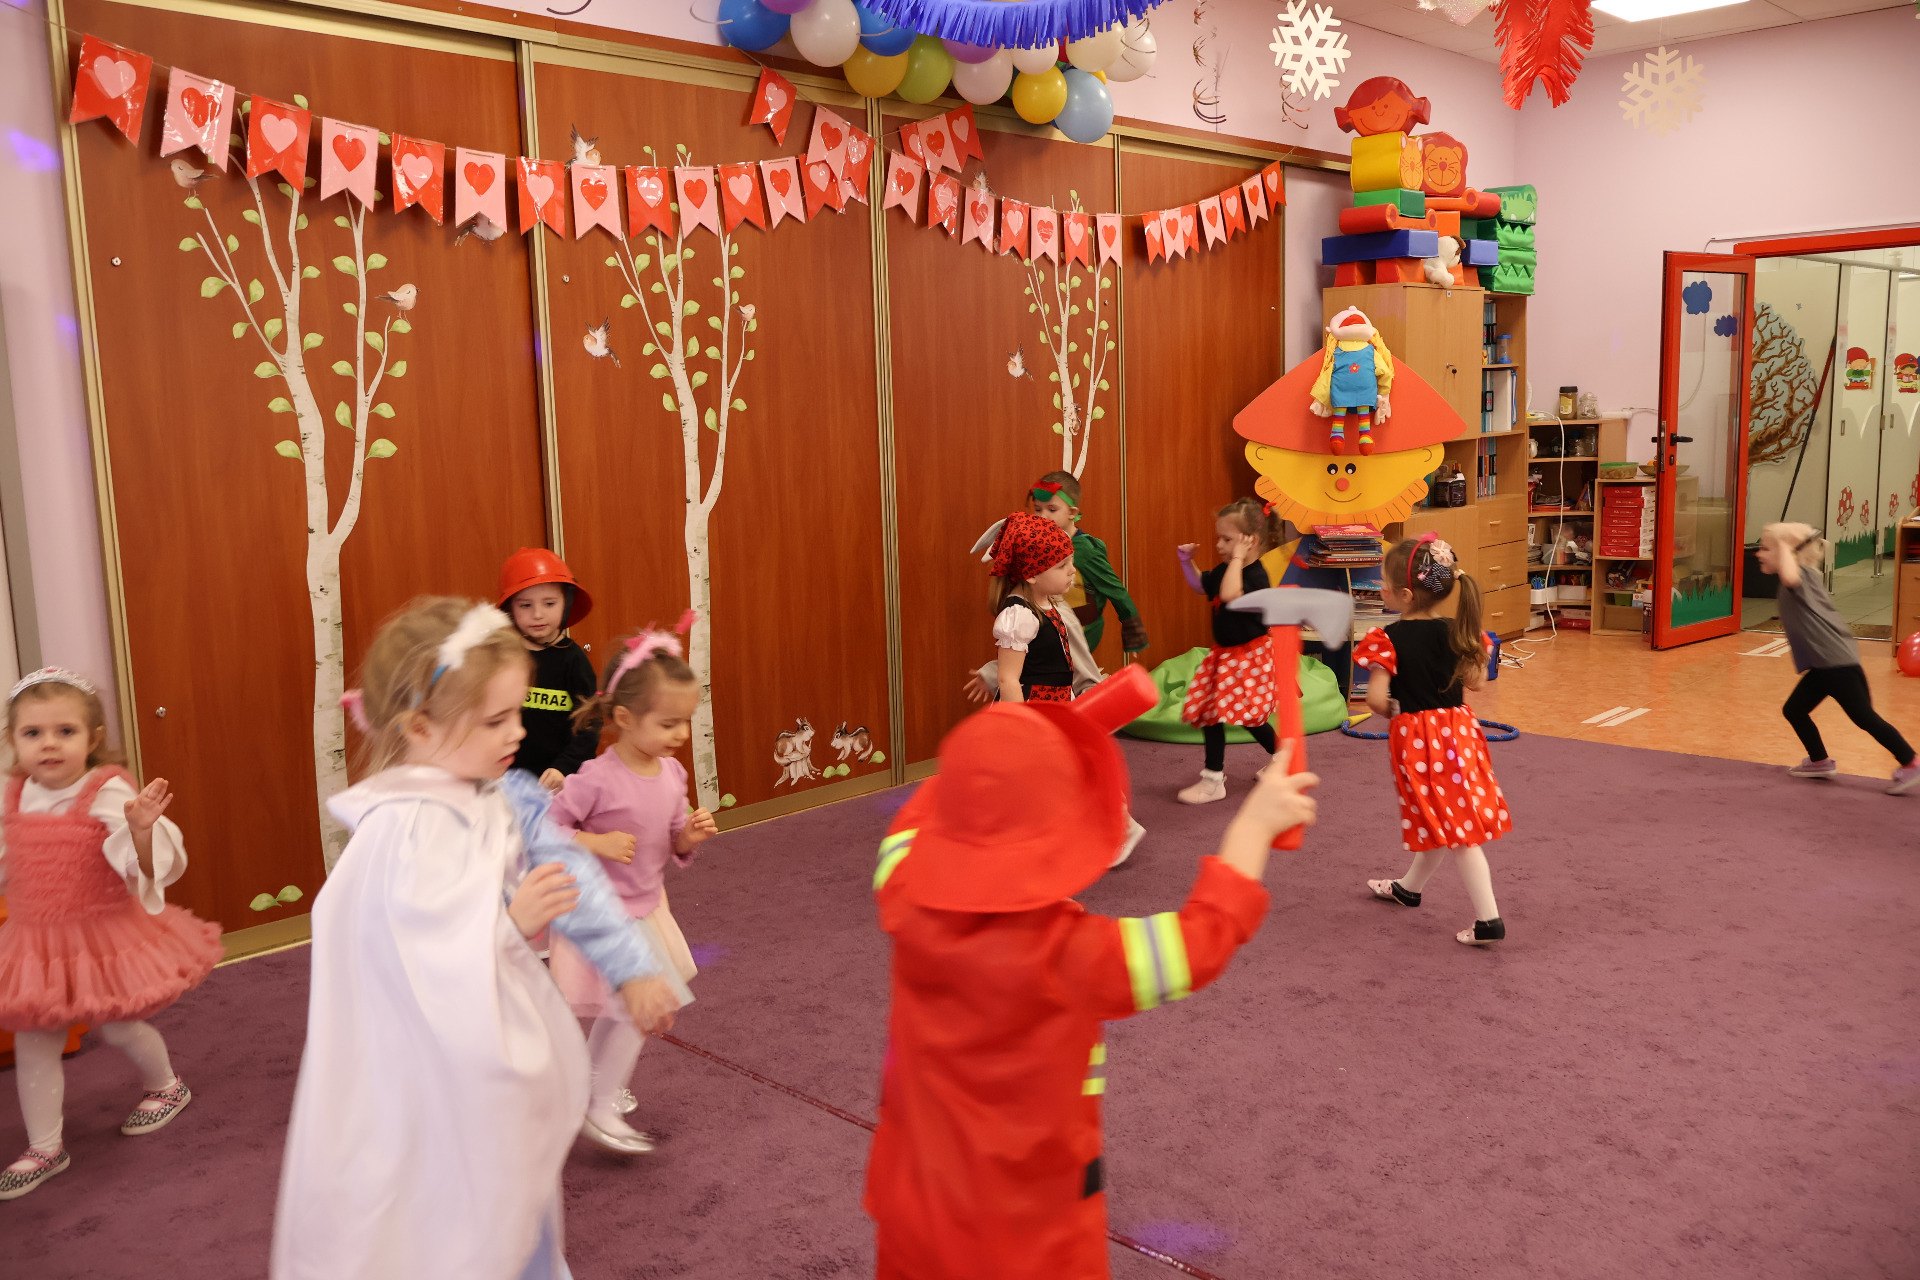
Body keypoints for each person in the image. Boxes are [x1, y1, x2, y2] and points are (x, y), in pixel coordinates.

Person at [271, 598, 680, 1280]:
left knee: (510, 1189)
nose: (516, 732)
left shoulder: (508, 794)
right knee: (445, 1208)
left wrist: (633, 968)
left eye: (516, 712)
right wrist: (509, 925)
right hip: (431, 1067)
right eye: (495, 721)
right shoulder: (400, 825)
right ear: (419, 728)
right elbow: (399, 954)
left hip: (495, 1041)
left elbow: (572, 872)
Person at [864, 685, 1320, 1279]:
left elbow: (922, 816)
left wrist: (989, 764)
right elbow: (1198, 942)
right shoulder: (1068, 956)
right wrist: (1254, 828)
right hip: (1026, 1236)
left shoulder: (902, 892)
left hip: (915, 1206)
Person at [0, 668, 222, 1201]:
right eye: (32, 733)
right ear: (13, 740)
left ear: (93, 737)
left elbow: (145, 863)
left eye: (65, 731)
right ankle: (45, 1147)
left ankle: (166, 1087)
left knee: (120, 1026)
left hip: (101, 936)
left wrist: (141, 828)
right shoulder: (13, 795)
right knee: (35, 1039)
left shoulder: (105, 790)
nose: (49, 744)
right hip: (35, 942)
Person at [548, 622, 714, 1155]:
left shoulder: (672, 774)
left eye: (684, 722)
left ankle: (593, 1086)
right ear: (623, 718)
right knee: (638, 1006)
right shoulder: (596, 777)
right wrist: (593, 843)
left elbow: (672, 836)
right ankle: (597, 1105)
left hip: (646, 909)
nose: (680, 735)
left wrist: (688, 836)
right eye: (667, 723)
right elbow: (544, 828)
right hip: (602, 913)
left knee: (631, 1009)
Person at [1353, 534, 1511, 946]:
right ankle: (1409, 888)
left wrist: (1396, 710)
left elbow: (1374, 700)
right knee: (1442, 815)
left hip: (1420, 743)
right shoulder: (1458, 631)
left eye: (1383, 583)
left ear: (1405, 595)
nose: (1379, 588)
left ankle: (1488, 920)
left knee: (1458, 831)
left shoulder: (1388, 638)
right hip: (1460, 734)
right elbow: (1476, 683)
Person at [1759, 523, 1917, 793]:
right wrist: (1785, 543)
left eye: (1765, 549)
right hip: (1825, 663)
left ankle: (1911, 762)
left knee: (1864, 717)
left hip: (1835, 662)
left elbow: (1790, 576)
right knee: (1794, 710)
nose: (1758, 554)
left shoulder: (1801, 576)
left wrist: (1784, 543)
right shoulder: (1803, 576)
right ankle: (1819, 761)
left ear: (1789, 554)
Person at [1174, 498, 1285, 804]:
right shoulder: (1227, 569)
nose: (1219, 545)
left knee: (1246, 717)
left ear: (1251, 542)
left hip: (1249, 658)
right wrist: (1186, 561)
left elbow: (1229, 594)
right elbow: (1202, 585)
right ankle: (1276, 756)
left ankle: (1214, 780)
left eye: (1227, 539)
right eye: (1219, 538)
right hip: (1227, 656)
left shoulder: (1257, 577)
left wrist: (1237, 559)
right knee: (1217, 714)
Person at [499, 548, 602, 792]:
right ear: (510, 609)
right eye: (525, 605)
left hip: (564, 782)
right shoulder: (504, 658)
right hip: (511, 782)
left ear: (566, 603)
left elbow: (589, 724)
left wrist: (564, 767)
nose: (537, 614)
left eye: (549, 603)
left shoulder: (573, 660)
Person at [1028, 473, 1149, 657]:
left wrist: (1134, 633)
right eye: (1038, 509)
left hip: (1080, 632)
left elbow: (1115, 589)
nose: (1042, 516)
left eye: (1052, 510)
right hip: (1050, 627)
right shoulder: (1040, 543)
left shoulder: (1086, 550)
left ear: (1072, 513)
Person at [987, 512, 1078, 704]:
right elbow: (1008, 680)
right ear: (1031, 575)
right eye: (1062, 565)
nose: (1072, 570)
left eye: (1071, 561)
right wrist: (1023, 721)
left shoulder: (1045, 603)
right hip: (1032, 707)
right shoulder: (1019, 615)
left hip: (1054, 705)